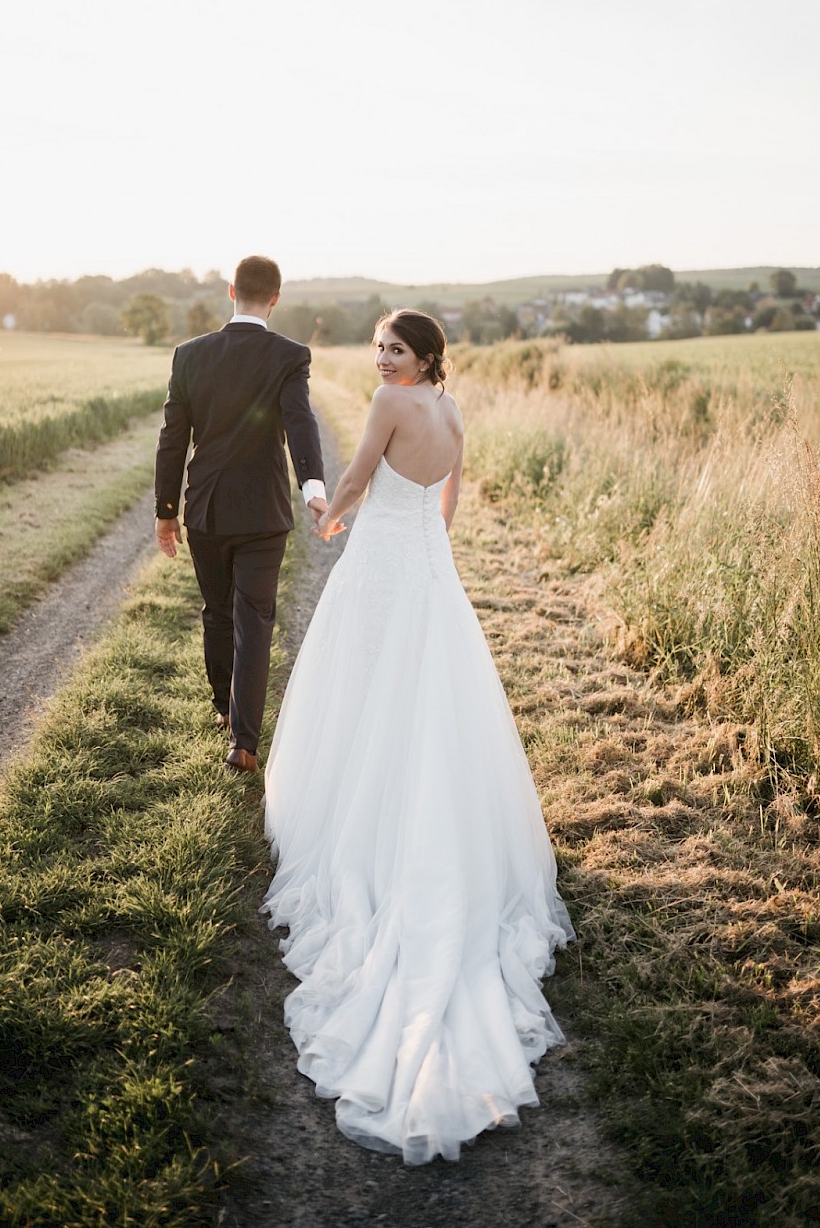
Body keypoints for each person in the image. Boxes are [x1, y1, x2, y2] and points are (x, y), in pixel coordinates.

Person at [262, 308, 575, 1164]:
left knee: (366, 683)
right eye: (378, 349)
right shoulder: (453, 408)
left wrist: (329, 512)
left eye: (395, 349)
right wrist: (432, 540)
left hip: (385, 560)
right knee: (427, 689)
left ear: (423, 356)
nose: (382, 358)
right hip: (427, 564)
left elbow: (360, 472)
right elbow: (453, 489)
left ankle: (365, 807)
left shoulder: (391, 402)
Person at [154, 255, 327, 771]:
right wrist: (312, 489)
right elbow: (301, 423)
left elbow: (172, 438)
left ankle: (224, 714)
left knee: (218, 612)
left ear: (232, 291)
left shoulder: (189, 354)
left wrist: (166, 511)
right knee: (255, 619)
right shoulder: (291, 355)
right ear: (275, 298)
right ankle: (244, 743)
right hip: (263, 512)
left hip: (204, 508)